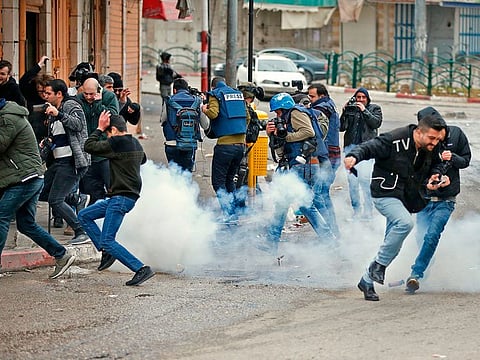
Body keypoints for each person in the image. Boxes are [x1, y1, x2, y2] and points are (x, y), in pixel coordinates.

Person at [344, 113, 449, 301]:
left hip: (407, 198)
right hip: (384, 193)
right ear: (419, 132)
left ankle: (366, 280)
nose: (435, 143)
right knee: (405, 224)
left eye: (438, 139)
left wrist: (434, 177)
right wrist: (353, 156)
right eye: (432, 138)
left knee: (393, 245)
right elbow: (369, 147)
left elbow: (438, 165)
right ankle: (377, 266)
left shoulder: (432, 147)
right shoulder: (395, 139)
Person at [0, 98, 75, 278]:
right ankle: (62, 255)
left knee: (1, 217)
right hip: (28, 177)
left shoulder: (8, 119)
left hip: (25, 179)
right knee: (26, 224)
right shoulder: (7, 115)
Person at [78, 112, 154, 286]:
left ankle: (141, 268)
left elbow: (89, 145)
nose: (106, 138)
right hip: (121, 197)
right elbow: (143, 160)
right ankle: (106, 252)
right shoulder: (135, 142)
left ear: (112, 129)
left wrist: (98, 128)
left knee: (108, 240)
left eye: (107, 134)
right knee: (84, 215)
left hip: (120, 197)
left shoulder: (116, 142)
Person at [405, 107, 471, 293]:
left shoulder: (456, 134)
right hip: (425, 199)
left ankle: (416, 274)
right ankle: (426, 262)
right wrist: (429, 182)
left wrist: (454, 158)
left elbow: (466, 160)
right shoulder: (420, 142)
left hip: (446, 200)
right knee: (421, 238)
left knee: (432, 235)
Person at [264, 93, 337, 253]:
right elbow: (280, 151)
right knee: (282, 203)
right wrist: (272, 135)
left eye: (278, 111)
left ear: (284, 108)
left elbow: (308, 132)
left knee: (305, 204)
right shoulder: (287, 117)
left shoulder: (296, 113)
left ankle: (331, 241)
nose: (277, 115)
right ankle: (271, 241)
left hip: (304, 164)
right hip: (296, 165)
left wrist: (286, 136)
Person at [41, 79, 91, 245]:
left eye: (48, 93)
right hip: (58, 161)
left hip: (72, 161)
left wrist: (59, 115)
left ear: (59, 94)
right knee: (40, 191)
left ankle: (81, 230)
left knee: (55, 200)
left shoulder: (70, 105)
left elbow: (78, 125)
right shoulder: (53, 111)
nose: (45, 96)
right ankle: (75, 199)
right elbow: (58, 135)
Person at [202, 76, 248, 222]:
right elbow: (247, 117)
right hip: (240, 146)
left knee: (218, 182)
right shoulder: (238, 94)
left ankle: (228, 213)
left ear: (213, 87)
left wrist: (204, 109)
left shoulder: (215, 94)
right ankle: (234, 212)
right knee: (229, 180)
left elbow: (214, 113)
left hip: (225, 146)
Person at [340, 88, 382, 220]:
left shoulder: (375, 109)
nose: (361, 99)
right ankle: (356, 211)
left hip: (367, 152)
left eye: (363, 97)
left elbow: (376, 123)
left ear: (367, 98)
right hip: (350, 151)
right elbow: (341, 127)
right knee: (352, 183)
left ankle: (368, 212)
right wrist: (345, 112)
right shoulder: (352, 109)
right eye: (358, 97)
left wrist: (364, 111)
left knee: (365, 182)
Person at [76, 77, 119, 204]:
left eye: (92, 94)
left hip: (105, 153)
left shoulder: (109, 97)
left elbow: (112, 118)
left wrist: (98, 104)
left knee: (112, 188)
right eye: (86, 94)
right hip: (87, 153)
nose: (89, 97)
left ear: (99, 90)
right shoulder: (79, 99)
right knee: (91, 191)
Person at [161, 78, 207, 172]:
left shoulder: (169, 101)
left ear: (174, 90)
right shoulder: (197, 101)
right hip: (190, 143)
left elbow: (162, 120)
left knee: (174, 176)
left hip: (172, 143)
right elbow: (205, 125)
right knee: (186, 177)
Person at [19, 55, 54, 142]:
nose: (44, 95)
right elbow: (23, 81)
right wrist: (38, 66)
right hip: (35, 133)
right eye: (40, 91)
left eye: (46, 92)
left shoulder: (55, 98)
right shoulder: (32, 96)